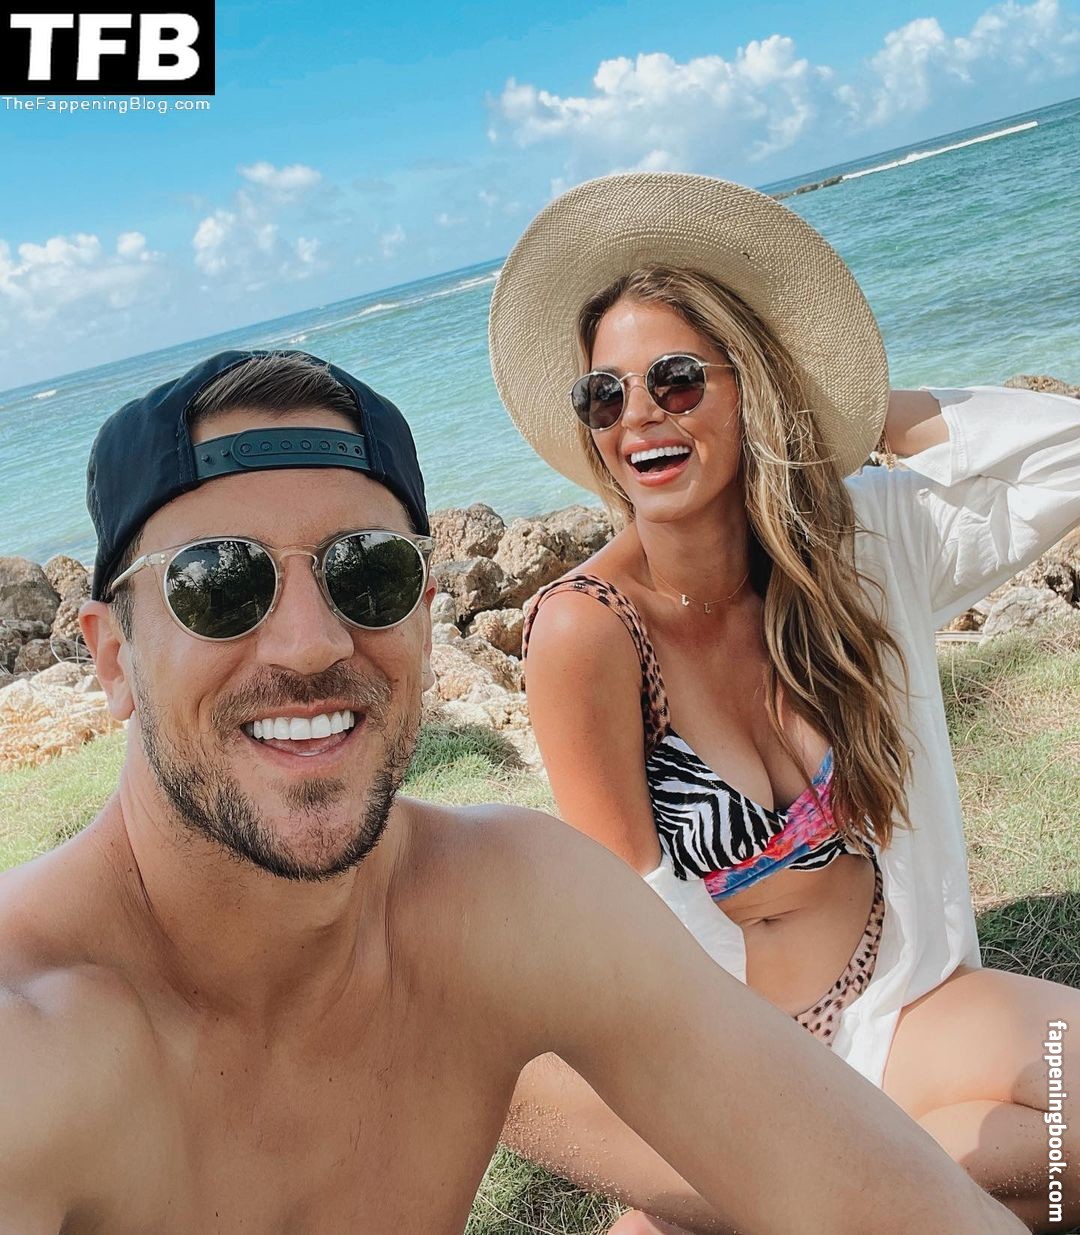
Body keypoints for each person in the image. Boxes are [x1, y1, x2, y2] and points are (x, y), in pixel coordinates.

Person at [0, 348, 1027, 1233]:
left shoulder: (505, 909)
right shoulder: (33, 1051)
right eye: (220, 583)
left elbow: (889, 1202)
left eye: (368, 574)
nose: (311, 643)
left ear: (424, 616)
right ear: (113, 656)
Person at [488, 172, 1080, 1234]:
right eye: (604, 395)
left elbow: (1063, 457)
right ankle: (854, 1189)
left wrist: (851, 407)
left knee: (1049, 1152)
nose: (638, 416)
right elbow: (641, 930)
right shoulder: (586, 630)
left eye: (677, 380)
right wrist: (775, 1130)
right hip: (754, 1081)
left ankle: (880, 1193)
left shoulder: (853, 548)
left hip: (908, 1003)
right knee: (1007, 1179)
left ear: (752, 383)